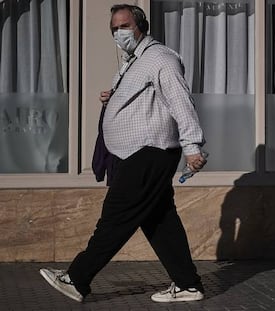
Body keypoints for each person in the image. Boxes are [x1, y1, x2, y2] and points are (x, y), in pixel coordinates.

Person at [40, 4, 207, 303]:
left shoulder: (160, 58)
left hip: (148, 153)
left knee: (115, 217)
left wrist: (192, 146)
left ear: (141, 25)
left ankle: (77, 279)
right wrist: (112, 98)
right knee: (159, 220)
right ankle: (187, 285)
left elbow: (180, 101)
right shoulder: (133, 61)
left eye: (125, 26)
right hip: (137, 153)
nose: (120, 33)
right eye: (115, 29)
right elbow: (144, 100)